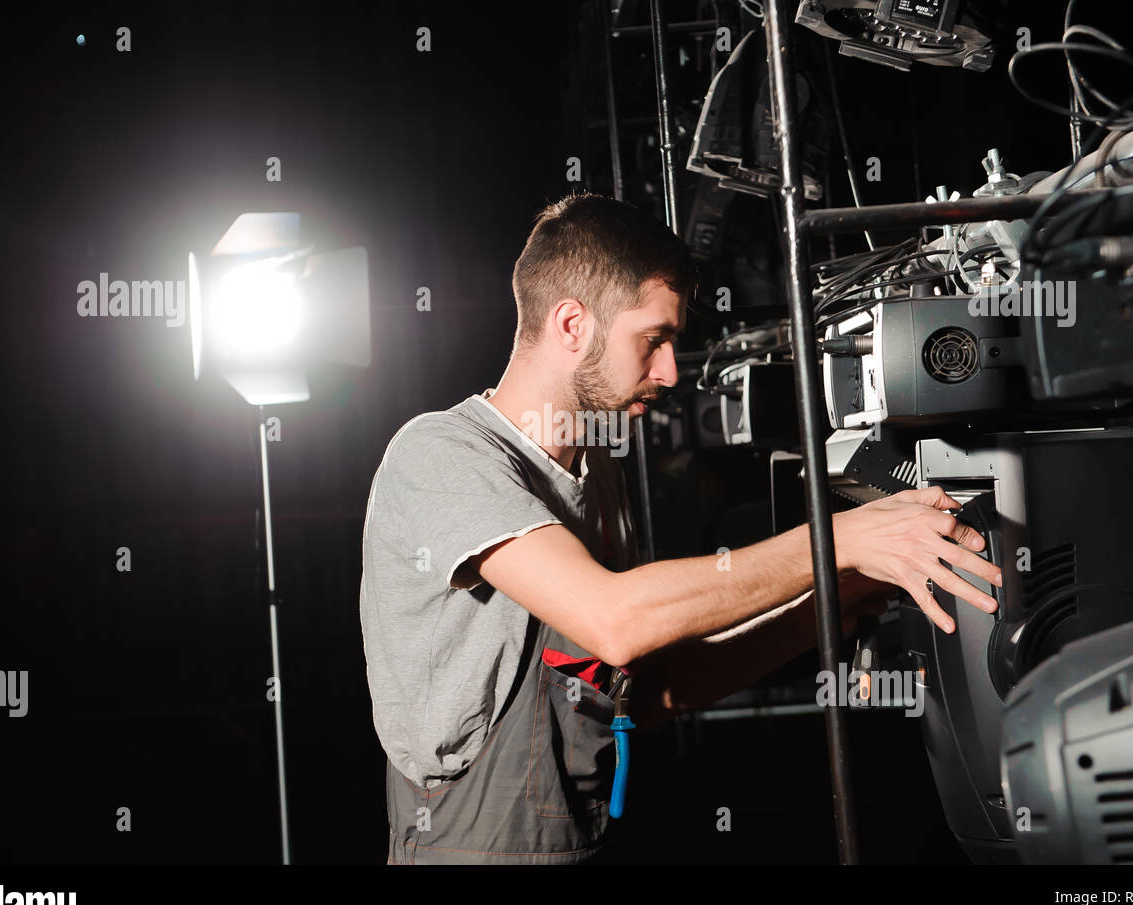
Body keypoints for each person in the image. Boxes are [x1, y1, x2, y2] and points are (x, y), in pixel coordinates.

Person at [359, 193, 1002, 865]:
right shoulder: (441, 454)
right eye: (654, 340)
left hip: (582, 839)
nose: (669, 372)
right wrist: (839, 540)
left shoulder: (596, 472)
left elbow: (656, 685)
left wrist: (828, 604)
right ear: (573, 324)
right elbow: (614, 619)